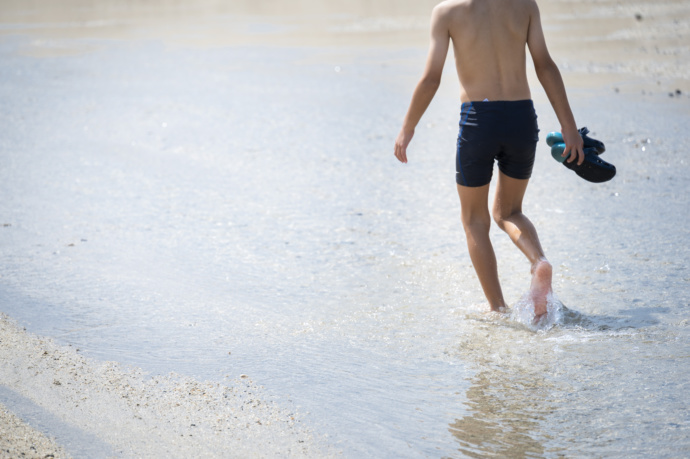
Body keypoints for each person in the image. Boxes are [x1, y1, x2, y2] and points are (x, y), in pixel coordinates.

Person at [394, 0, 584, 319]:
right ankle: (539, 262)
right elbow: (545, 65)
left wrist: (407, 127)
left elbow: (430, 79)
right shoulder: (525, 6)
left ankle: (498, 309)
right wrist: (569, 126)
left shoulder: (447, 12)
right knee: (510, 211)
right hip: (522, 117)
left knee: (474, 220)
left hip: (478, 120)